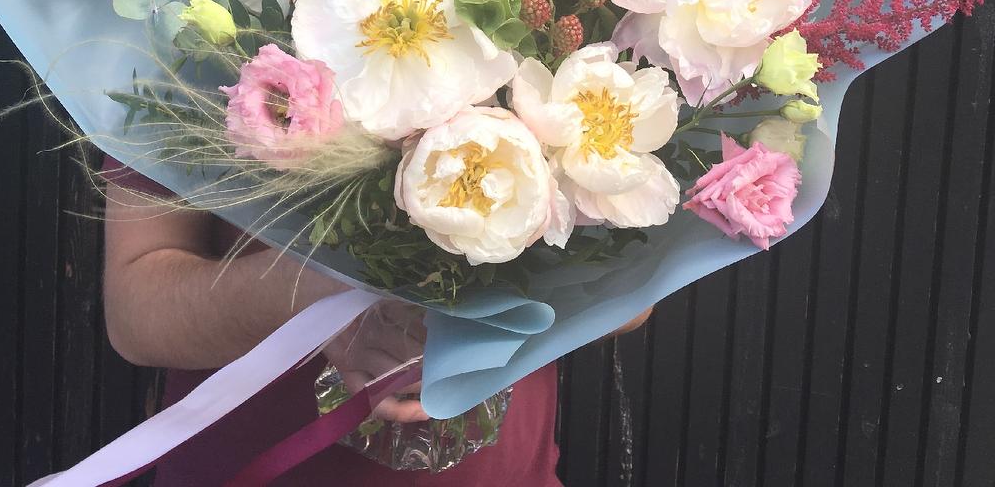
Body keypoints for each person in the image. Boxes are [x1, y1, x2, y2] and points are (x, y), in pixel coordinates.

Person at [101, 158, 652, 485]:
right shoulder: (177, 24)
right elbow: (136, 314)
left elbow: (635, 300)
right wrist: (327, 293)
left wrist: (490, 299)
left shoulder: (572, 17)